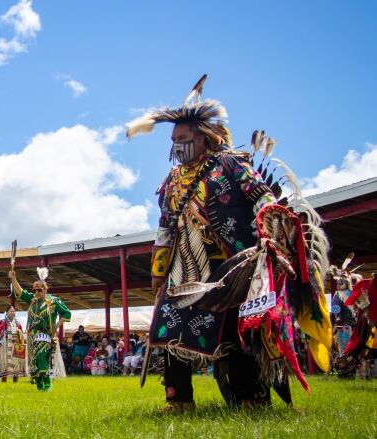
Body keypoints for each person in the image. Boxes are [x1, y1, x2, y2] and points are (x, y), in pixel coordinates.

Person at [126, 74, 332, 410]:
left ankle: (250, 397)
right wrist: (159, 270)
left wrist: (269, 224)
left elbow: (262, 196)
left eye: (183, 137)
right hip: (184, 265)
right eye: (173, 138)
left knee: (233, 334)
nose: (177, 144)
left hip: (230, 265)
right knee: (168, 328)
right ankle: (178, 400)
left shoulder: (231, 164)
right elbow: (165, 227)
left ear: (204, 137)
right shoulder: (171, 181)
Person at [9, 267, 71, 391]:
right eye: (35, 290)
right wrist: (13, 278)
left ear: (45, 289)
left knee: (42, 357)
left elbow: (66, 313)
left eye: (39, 290)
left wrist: (55, 327)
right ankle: (40, 385)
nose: (37, 292)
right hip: (32, 336)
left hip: (45, 335)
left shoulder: (53, 301)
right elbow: (20, 292)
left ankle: (47, 385)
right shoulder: (32, 300)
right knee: (34, 361)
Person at [0, 306, 26, 383]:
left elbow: (22, 335)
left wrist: (18, 331)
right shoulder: (2, 322)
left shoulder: (18, 323)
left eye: (14, 311)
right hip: (5, 345)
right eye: (11, 311)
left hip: (15, 345)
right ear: (6, 312)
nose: (12, 313)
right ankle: (4, 381)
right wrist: (7, 331)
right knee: (5, 362)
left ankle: (15, 381)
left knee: (15, 362)